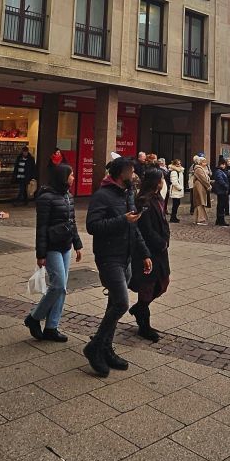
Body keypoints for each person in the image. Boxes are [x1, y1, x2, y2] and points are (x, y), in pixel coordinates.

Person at [84, 156, 151, 377]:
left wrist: (144, 254)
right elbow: (92, 226)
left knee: (113, 303)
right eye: (130, 170)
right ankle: (94, 347)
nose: (133, 174)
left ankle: (105, 348)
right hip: (108, 256)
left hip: (127, 256)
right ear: (119, 172)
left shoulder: (128, 193)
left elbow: (134, 226)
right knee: (121, 303)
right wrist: (123, 220)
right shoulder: (102, 195)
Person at [25, 162, 83, 342]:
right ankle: (34, 318)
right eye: (71, 174)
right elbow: (41, 227)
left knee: (62, 289)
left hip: (65, 245)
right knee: (57, 285)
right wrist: (40, 254)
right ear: (63, 177)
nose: (73, 177)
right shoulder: (46, 197)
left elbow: (72, 222)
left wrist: (77, 244)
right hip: (51, 247)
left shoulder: (68, 195)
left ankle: (52, 327)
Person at [129, 167, 171, 342]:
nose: (163, 182)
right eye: (161, 179)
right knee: (147, 287)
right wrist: (160, 243)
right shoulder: (144, 201)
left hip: (160, 250)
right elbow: (146, 229)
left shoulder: (158, 198)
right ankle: (144, 325)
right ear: (156, 182)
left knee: (163, 282)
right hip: (149, 251)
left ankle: (139, 308)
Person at [190, 155, 211, 225]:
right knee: (200, 202)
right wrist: (208, 185)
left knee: (199, 202)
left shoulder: (200, 168)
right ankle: (200, 219)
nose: (206, 163)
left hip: (200, 186)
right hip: (199, 186)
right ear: (201, 162)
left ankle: (197, 219)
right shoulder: (198, 169)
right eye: (204, 162)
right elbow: (203, 179)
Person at [213, 156, 230, 226]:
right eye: (223, 164)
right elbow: (220, 180)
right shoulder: (219, 171)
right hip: (221, 191)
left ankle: (219, 220)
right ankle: (221, 220)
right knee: (221, 206)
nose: (224, 166)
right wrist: (226, 186)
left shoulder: (221, 171)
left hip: (222, 191)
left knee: (221, 206)